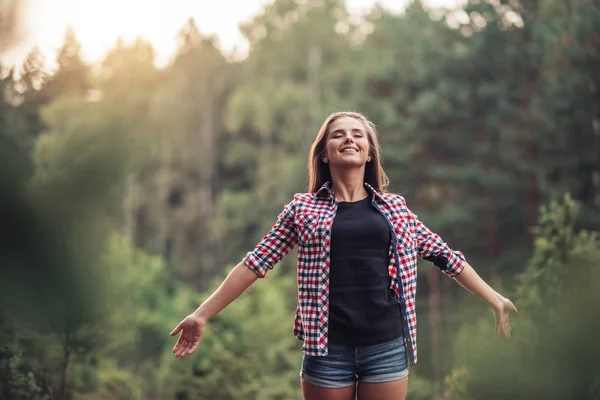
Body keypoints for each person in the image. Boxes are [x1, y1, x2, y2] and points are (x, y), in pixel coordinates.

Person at [170, 111, 518, 400]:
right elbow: (255, 263)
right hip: (327, 350)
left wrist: (495, 299)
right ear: (324, 153)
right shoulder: (302, 209)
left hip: (385, 345)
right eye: (338, 135)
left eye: (358, 135)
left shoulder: (395, 210)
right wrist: (202, 315)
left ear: (369, 153)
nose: (349, 139)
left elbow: (446, 257)